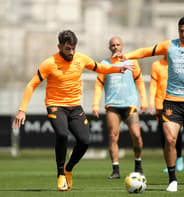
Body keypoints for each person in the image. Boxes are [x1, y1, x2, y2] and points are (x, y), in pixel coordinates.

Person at [12, 30, 133, 191]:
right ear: (59, 46)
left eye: (74, 48)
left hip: (75, 107)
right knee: (62, 134)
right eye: (68, 48)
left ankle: (69, 168)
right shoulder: (49, 63)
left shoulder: (81, 58)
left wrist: (119, 69)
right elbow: (31, 84)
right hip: (55, 105)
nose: (71, 52)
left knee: (85, 141)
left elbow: (100, 68)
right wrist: (22, 110)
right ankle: (60, 173)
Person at [113, 16, 184, 192]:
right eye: (181, 31)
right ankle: (172, 179)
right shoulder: (170, 45)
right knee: (170, 139)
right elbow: (146, 51)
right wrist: (126, 56)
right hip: (172, 101)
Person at [92, 37, 147, 179]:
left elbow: (140, 81)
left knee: (136, 135)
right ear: (109, 48)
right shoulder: (104, 64)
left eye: (118, 44)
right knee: (113, 137)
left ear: (122, 46)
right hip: (112, 106)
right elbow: (98, 85)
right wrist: (95, 105)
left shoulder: (132, 61)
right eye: (113, 45)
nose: (115, 47)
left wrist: (144, 101)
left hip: (130, 105)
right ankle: (115, 169)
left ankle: (138, 164)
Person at [148, 55, 184, 173]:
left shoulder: (179, 63)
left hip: (177, 102)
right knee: (165, 136)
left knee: (178, 133)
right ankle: (170, 162)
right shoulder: (156, 65)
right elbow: (153, 85)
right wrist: (150, 103)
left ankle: (179, 158)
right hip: (161, 105)